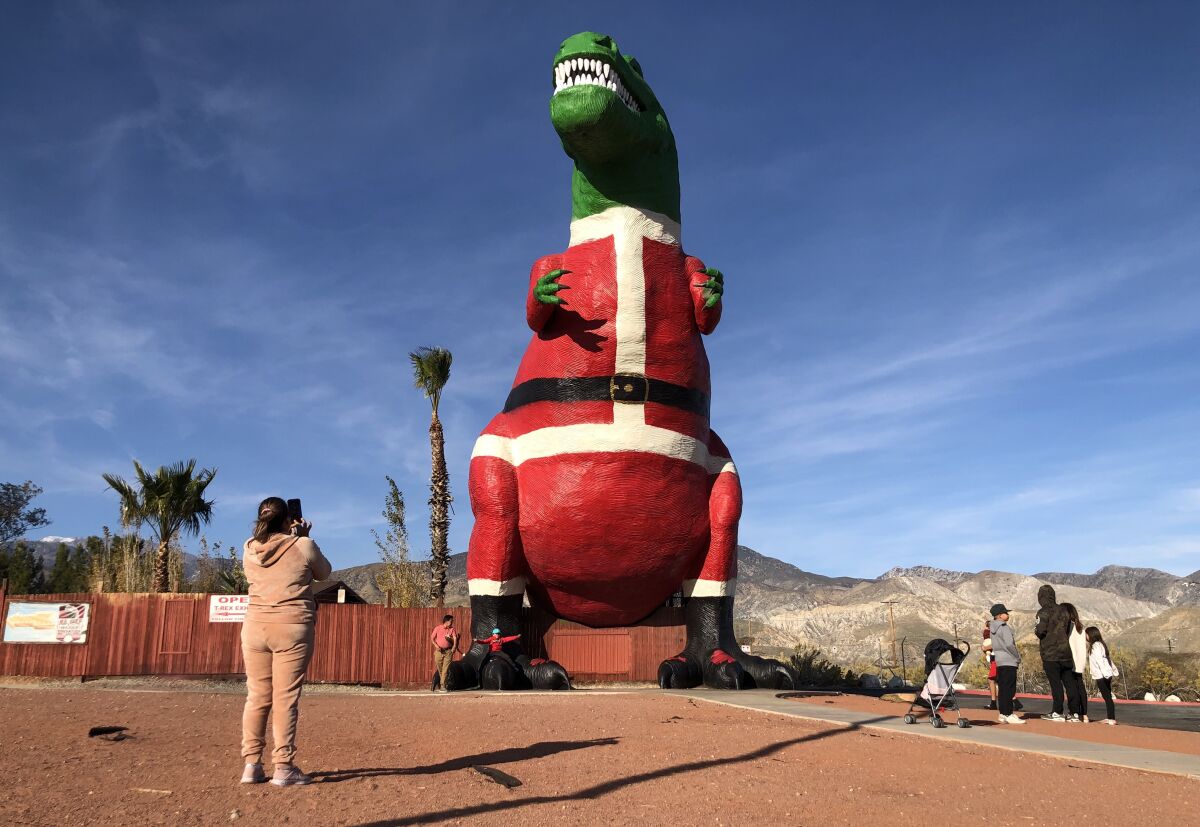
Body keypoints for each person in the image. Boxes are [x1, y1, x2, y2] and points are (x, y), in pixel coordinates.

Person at [239, 497, 332, 787]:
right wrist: (303, 537)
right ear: (287, 519)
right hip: (292, 627)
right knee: (285, 698)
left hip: (254, 627)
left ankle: (251, 765)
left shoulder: (248, 549)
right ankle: (283, 767)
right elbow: (324, 573)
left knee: (256, 696)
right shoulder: (302, 545)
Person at [1034, 584, 1074, 722]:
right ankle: (1074, 713)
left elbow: (1040, 631)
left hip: (1050, 654)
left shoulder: (1042, 612)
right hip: (1066, 652)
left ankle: (1057, 712)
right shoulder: (1064, 611)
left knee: (1056, 684)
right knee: (1070, 683)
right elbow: (1068, 629)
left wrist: (1037, 631)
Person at [989, 603, 1024, 724]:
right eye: (1005, 612)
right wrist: (1017, 656)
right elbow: (1009, 644)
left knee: (1003, 688)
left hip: (999, 660)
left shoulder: (992, 628)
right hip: (1009, 660)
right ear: (999, 615)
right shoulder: (1004, 627)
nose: (1007, 614)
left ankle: (1003, 713)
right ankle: (1009, 713)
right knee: (1010, 688)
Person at [1086, 626, 1119, 725]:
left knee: (1107, 697)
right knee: (1108, 696)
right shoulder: (1101, 644)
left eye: (1086, 634)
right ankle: (1110, 717)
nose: (1085, 636)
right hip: (1106, 673)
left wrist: (1105, 674)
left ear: (1091, 635)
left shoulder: (1096, 646)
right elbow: (1107, 659)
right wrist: (1113, 670)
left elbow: (1100, 661)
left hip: (1102, 675)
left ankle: (1111, 719)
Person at [1063, 602, 1089, 722]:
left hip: (1071, 661)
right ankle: (1084, 714)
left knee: (1071, 688)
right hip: (1080, 661)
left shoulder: (1068, 627)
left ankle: (1074, 712)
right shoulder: (1080, 628)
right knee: (1080, 687)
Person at [430, 614, 461, 692]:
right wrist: (436, 645)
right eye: (451, 621)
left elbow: (455, 638)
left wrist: (454, 647)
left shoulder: (452, 629)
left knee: (445, 669)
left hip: (448, 651)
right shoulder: (438, 628)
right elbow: (432, 638)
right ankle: (443, 684)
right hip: (439, 651)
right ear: (446, 621)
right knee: (440, 668)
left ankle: (443, 685)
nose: (452, 622)